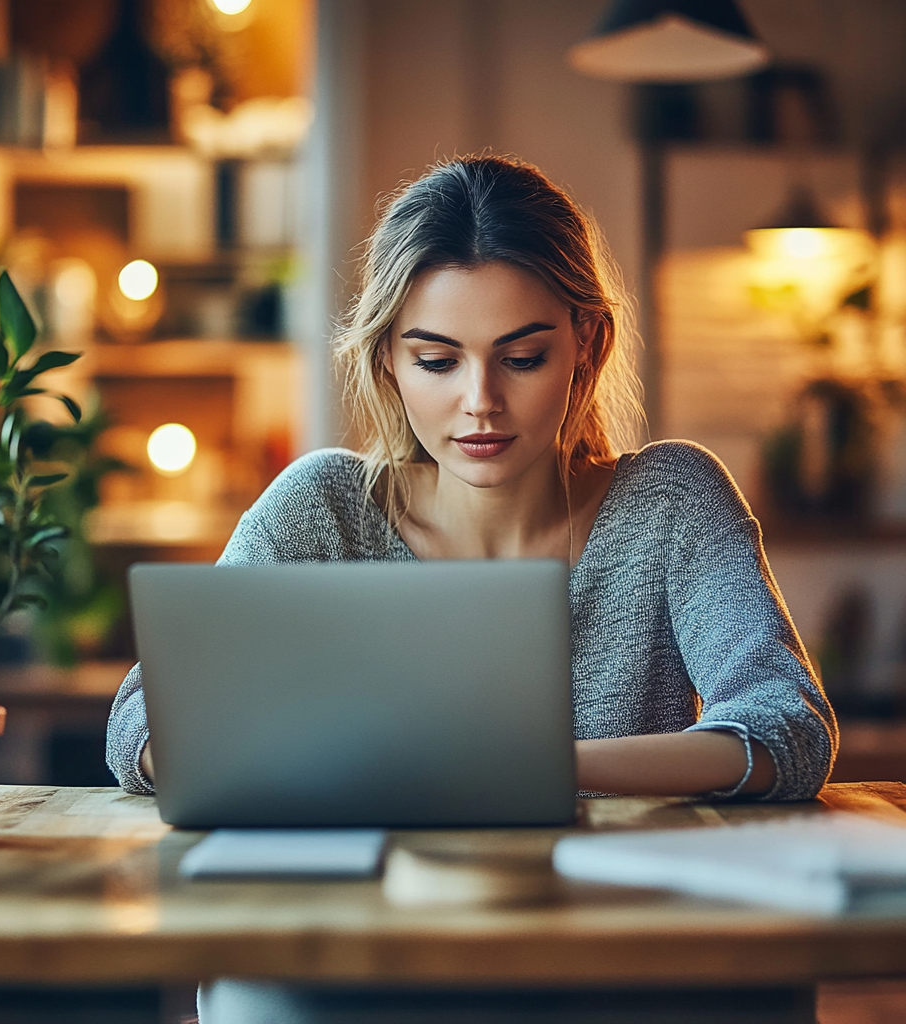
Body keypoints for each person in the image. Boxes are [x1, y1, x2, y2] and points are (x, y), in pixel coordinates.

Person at [106, 154, 837, 803]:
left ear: (589, 343)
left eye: (521, 359)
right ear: (387, 357)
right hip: (352, 930)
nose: (480, 402)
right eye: (437, 361)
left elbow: (788, 727)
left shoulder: (672, 502)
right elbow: (142, 718)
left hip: (588, 933)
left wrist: (527, 769)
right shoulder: (322, 510)